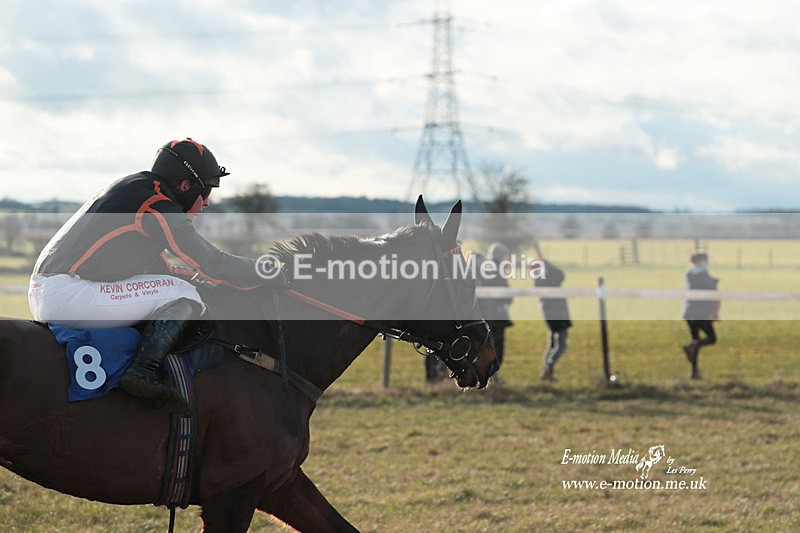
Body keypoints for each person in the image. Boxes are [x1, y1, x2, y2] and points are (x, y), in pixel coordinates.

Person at [28, 138, 286, 411]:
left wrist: (200, 278)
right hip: (67, 293)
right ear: (186, 185)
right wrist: (267, 274)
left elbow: (165, 272)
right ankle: (143, 370)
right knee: (185, 293)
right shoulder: (156, 203)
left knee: (178, 285)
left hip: (49, 292)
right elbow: (210, 261)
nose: (207, 203)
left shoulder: (137, 189)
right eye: (206, 191)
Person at [682, 250, 719, 379]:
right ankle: (692, 346)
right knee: (712, 338)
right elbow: (710, 290)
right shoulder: (703, 275)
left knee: (695, 340)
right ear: (700, 262)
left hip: (689, 311)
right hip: (701, 311)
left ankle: (694, 372)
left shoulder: (689, 274)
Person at [534, 259, 571, 382]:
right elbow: (560, 274)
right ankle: (548, 368)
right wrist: (546, 262)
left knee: (552, 345)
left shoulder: (539, 280)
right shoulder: (548, 280)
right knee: (561, 345)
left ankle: (547, 371)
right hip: (558, 313)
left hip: (551, 313)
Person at [480, 242, 514, 373]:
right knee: (496, 346)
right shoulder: (494, 269)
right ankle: (492, 374)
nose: (508, 258)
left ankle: (493, 374)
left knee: (496, 345)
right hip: (496, 314)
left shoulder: (495, 268)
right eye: (506, 255)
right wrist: (501, 305)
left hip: (496, 312)